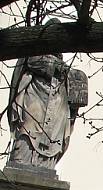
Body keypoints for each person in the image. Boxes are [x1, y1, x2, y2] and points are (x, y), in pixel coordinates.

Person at [6, 36, 88, 171]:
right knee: (27, 133)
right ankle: (20, 165)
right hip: (34, 101)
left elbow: (74, 101)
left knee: (52, 142)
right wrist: (55, 67)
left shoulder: (65, 71)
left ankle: (44, 166)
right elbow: (34, 62)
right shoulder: (32, 56)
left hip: (56, 109)